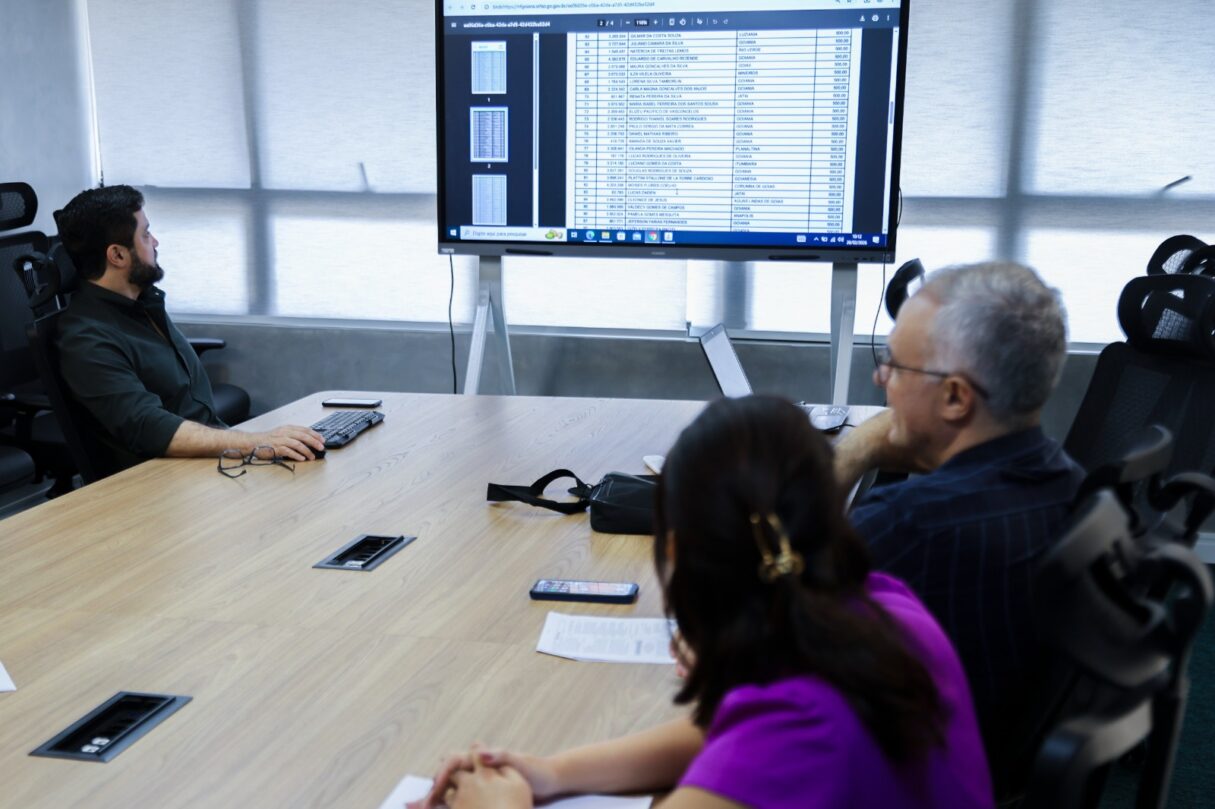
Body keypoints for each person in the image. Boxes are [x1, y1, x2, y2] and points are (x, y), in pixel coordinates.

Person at [413, 396, 994, 809]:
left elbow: (757, 746)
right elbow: (722, 732)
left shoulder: (792, 739)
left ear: (674, 550)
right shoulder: (882, 607)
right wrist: (550, 772)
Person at [832, 261, 1085, 794]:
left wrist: (857, 448)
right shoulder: (1071, 484)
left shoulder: (908, 526)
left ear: (954, 397)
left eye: (896, 366)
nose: (881, 379)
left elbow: (759, 613)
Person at [54, 185, 324, 474]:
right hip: (164, 480)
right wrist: (254, 442)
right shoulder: (86, 337)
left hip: (205, 461)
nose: (155, 242)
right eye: (145, 234)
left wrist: (258, 442)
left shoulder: (142, 304)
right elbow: (149, 428)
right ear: (118, 255)